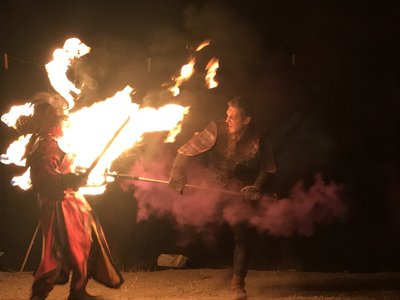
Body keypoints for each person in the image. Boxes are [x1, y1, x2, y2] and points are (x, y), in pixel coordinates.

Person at [15, 92, 124, 300]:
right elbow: (45, 175)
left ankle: (79, 291)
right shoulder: (46, 142)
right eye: (61, 116)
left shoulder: (57, 139)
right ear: (50, 115)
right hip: (57, 201)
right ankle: (39, 294)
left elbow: (66, 168)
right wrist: (68, 180)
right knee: (61, 248)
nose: (65, 119)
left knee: (87, 242)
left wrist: (79, 176)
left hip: (72, 200)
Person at [169, 96, 277, 300]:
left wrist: (256, 186)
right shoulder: (216, 129)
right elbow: (186, 150)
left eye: (233, 117)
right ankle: (217, 265)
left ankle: (238, 284)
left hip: (240, 190)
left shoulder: (260, 137)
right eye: (227, 115)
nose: (227, 120)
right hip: (214, 186)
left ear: (246, 120)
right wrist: (176, 173)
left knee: (243, 234)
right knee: (202, 225)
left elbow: (268, 168)